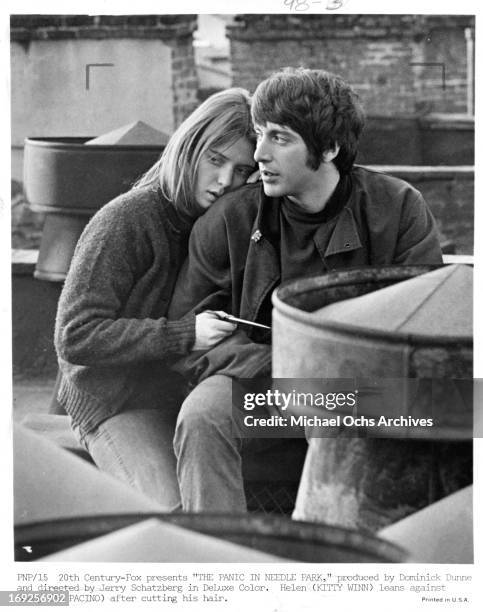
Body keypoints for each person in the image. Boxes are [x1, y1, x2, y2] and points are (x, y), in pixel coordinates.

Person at [168, 67, 443, 513]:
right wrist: (290, 368)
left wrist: (331, 378)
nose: (258, 154)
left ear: (329, 147)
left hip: (365, 392)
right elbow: (188, 333)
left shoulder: (398, 209)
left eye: (280, 138)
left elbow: (425, 324)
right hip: (264, 390)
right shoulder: (230, 220)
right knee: (203, 416)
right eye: (259, 134)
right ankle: (216, 563)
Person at [54, 88, 257, 510]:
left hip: (182, 395)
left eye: (241, 171)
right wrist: (184, 335)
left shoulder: (223, 223)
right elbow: (75, 335)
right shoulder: (127, 218)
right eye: (215, 161)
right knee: (173, 515)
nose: (224, 182)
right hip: (114, 401)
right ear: (189, 148)